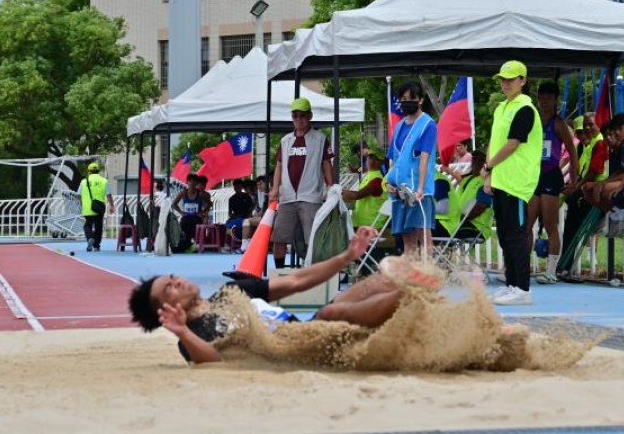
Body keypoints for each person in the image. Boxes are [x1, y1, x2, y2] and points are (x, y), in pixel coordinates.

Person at [128, 227, 438, 364]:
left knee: (352, 294)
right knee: (331, 314)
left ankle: (412, 290)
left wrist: (346, 256)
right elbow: (214, 361)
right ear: (165, 310)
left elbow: (298, 281)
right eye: (168, 288)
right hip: (300, 352)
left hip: (306, 330)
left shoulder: (232, 290)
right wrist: (182, 330)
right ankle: (408, 293)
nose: (177, 281)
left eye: (172, 277)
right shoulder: (192, 339)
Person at [483, 60, 542, 306]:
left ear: (523, 80)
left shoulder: (525, 108)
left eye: (511, 78)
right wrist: (488, 172)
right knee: (506, 235)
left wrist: (489, 166)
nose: (506, 83)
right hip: (501, 179)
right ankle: (511, 284)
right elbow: (494, 141)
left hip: (517, 181)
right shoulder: (501, 108)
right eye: (503, 79)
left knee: (517, 235)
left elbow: (513, 143)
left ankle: (523, 288)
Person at [268, 98, 334, 268]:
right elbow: (279, 166)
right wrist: (275, 188)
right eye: (295, 115)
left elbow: (326, 163)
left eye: (302, 115)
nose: (299, 119)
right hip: (287, 197)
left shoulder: (320, 139)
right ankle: (280, 272)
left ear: (310, 116)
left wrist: (330, 185)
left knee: (313, 238)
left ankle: (315, 272)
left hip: (310, 196)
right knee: (279, 237)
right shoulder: (285, 140)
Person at [526, 81, 578, 285]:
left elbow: (573, 153)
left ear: (556, 99)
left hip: (550, 176)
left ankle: (551, 270)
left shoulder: (559, 124)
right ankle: (523, 267)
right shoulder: (532, 120)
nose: (544, 100)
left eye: (549, 97)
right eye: (541, 96)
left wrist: (573, 180)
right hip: (532, 177)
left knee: (550, 224)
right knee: (527, 224)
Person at [386, 81, 437, 255]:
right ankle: (410, 278)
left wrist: (421, 187)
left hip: (417, 190)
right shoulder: (399, 126)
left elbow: (424, 157)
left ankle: (428, 276)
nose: (406, 102)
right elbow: (393, 158)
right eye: (403, 99)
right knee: (406, 236)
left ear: (420, 100)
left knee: (423, 233)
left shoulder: (428, 125)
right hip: (399, 190)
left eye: (411, 98)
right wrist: (388, 182)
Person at [561, 112, 608, 267]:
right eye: (584, 126)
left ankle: (565, 265)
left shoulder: (600, 143)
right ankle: (563, 264)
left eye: (590, 125)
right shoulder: (587, 145)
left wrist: (577, 187)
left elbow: (594, 171)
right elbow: (580, 169)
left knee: (573, 227)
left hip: (595, 194)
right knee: (570, 227)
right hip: (586, 191)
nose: (587, 129)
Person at [435, 150, 493, 241]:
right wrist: (448, 170)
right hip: (461, 222)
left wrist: (462, 219)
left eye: (480, 160)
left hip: (476, 226)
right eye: (474, 159)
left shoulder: (485, 183)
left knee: (442, 231)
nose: (476, 162)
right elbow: (460, 181)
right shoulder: (469, 179)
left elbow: (481, 206)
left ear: (485, 164)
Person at [342, 146, 386, 229]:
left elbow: (356, 196)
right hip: (363, 223)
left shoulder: (377, 180)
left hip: (371, 225)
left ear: (380, 162)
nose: (369, 161)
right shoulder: (369, 176)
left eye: (374, 158)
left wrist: (338, 192)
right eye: (369, 157)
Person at [77, 161, 115, 252]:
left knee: (87, 225)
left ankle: (90, 238)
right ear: (98, 171)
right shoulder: (104, 180)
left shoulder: (83, 182)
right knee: (99, 227)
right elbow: (108, 195)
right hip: (99, 208)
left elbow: (78, 195)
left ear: (89, 171)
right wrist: (112, 206)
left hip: (87, 208)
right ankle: (97, 245)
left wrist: (81, 204)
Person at [171, 173, 210, 253]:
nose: (192, 183)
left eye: (194, 181)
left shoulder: (201, 194)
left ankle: (191, 244)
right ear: (187, 182)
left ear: (196, 183)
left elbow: (210, 204)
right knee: (183, 225)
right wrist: (181, 212)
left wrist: (202, 212)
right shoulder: (183, 193)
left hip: (196, 218)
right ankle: (185, 244)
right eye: (190, 181)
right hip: (186, 217)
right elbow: (174, 204)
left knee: (193, 224)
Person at [225, 180, 254, 252]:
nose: (236, 188)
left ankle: (243, 243)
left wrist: (248, 217)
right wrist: (232, 217)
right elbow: (230, 212)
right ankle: (227, 244)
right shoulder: (232, 199)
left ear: (241, 187)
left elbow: (250, 209)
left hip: (246, 218)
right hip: (236, 218)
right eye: (235, 187)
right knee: (226, 225)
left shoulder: (247, 197)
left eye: (238, 186)